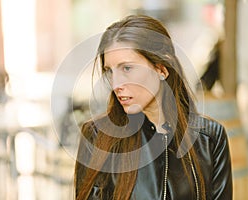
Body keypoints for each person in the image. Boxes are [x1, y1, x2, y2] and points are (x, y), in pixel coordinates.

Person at [74, 15, 232, 200]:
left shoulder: (209, 138)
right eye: (110, 71)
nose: (116, 83)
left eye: (127, 68)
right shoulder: (97, 137)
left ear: (161, 69)